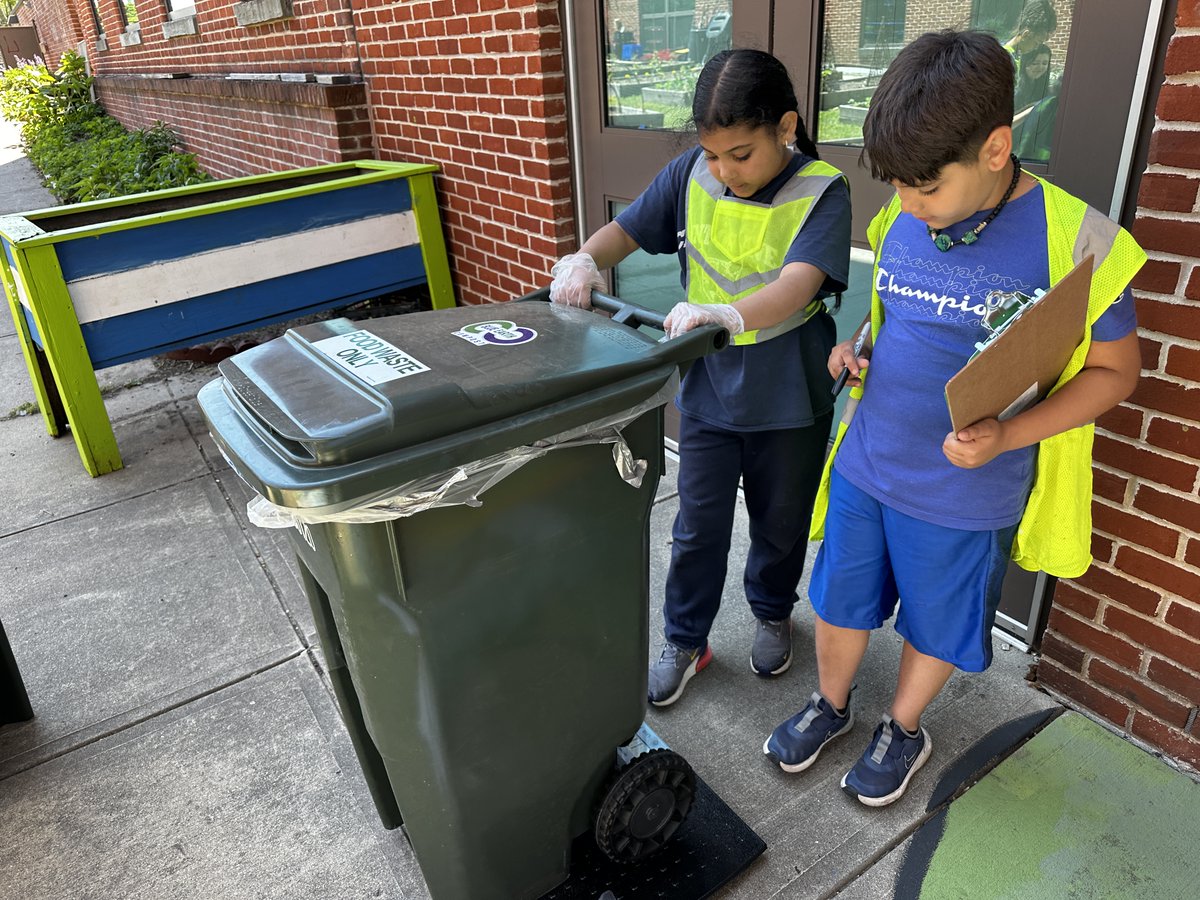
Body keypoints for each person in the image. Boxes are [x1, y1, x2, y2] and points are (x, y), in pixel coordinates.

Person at [763, 29, 1144, 808]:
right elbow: (895, 315)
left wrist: (1009, 434)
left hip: (969, 493)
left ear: (997, 148)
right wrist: (859, 347)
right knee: (838, 599)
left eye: (924, 188)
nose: (907, 204)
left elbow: (1115, 373)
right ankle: (830, 705)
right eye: (897, 185)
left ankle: (902, 726)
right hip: (870, 465)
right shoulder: (904, 215)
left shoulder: (1081, 241)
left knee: (936, 623)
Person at [549, 49, 852, 707]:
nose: (724, 170)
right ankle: (687, 638)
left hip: (790, 395)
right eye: (714, 155)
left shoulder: (822, 191)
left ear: (787, 127)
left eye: (741, 154)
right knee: (697, 527)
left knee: (780, 522)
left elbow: (799, 286)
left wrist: (725, 313)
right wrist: (583, 259)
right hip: (712, 391)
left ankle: (772, 610)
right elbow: (625, 232)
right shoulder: (692, 173)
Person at [1013, 43, 1051, 114]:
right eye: (1035, 63)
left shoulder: (1047, 89)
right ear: (1025, 63)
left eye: (1045, 63)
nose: (1040, 67)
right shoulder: (1015, 89)